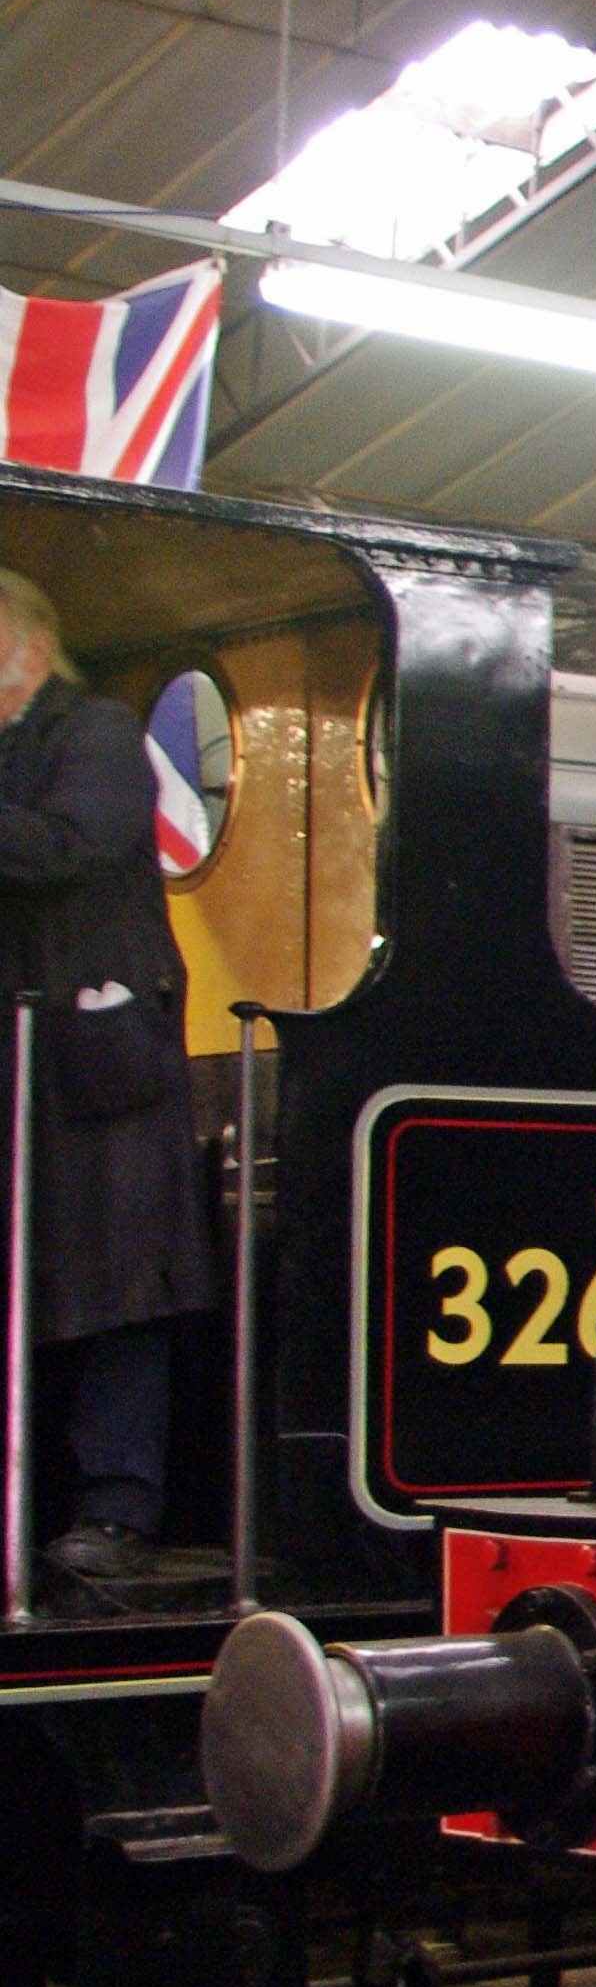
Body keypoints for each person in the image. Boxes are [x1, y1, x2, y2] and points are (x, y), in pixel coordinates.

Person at [0, 565, 211, 1595]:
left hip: (101, 1069)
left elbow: (67, 846)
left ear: (29, 648)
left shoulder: (97, 734)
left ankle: (119, 1508)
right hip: (22, 1070)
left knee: (121, 1286)